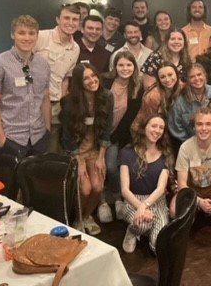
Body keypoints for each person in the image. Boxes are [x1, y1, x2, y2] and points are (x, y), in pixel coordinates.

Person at [0, 15, 51, 156]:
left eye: (31, 33)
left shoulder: (43, 65)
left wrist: (47, 131)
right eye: (21, 33)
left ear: (37, 36)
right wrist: (2, 141)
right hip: (10, 139)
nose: (27, 38)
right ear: (13, 35)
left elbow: (45, 98)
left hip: (39, 139)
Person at [61, 63, 113, 235]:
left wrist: (101, 157)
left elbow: (106, 129)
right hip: (76, 151)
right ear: (79, 82)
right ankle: (77, 219)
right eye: (86, 78)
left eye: (93, 76)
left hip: (95, 149)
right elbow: (67, 136)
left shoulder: (106, 96)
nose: (92, 80)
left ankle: (87, 216)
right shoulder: (69, 102)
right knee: (85, 188)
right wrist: (79, 161)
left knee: (98, 187)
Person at [98, 50, 143, 224]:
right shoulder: (105, 81)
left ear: (134, 67)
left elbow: (130, 117)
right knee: (97, 168)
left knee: (111, 167)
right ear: (114, 66)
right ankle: (101, 201)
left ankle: (117, 198)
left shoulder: (136, 87)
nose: (125, 68)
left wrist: (111, 138)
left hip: (115, 135)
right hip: (96, 132)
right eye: (121, 65)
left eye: (129, 65)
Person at [119, 114, 173, 253]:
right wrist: (141, 207)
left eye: (161, 128)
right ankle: (132, 231)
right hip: (134, 199)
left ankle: (149, 230)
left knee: (158, 246)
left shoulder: (165, 154)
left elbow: (160, 189)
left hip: (157, 200)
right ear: (144, 127)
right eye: (154, 126)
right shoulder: (126, 152)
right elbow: (124, 190)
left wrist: (145, 205)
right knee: (142, 224)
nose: (157, 130)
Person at [34, 3, 81, 154]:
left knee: (51, 149)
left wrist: (62, 103)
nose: (70, 22)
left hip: (55, 105)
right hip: (34, 104)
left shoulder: (75, 48)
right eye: (66, 18)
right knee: (32, 149)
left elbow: (66, 78)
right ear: (57, 19)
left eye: (75, 19)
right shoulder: (41, 37)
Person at [169, 64, 211, 148]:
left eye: (199, 74)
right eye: (192, 77)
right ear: (187, 80)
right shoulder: (179, 101)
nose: (197, 79)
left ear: (205, 75)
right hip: (188, 144)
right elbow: (176, 128)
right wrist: (191, 144)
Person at [132, 63, 180, 138]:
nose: (167, 79)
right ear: (159, 80)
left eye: (170, 75)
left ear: (176, 74)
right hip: (144, 132)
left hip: (164, 130)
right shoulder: (153, 96)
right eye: (162, 77)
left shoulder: (179, 89)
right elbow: (147, 123)